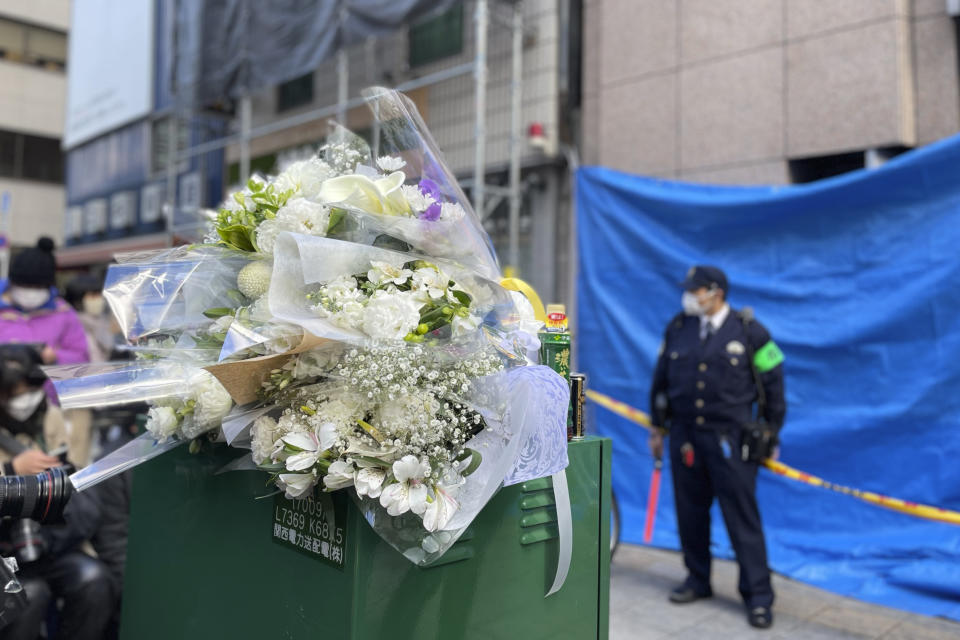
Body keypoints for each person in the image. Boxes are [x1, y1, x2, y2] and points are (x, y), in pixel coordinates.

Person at [648, 265, 786, 630]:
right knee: (690, 514)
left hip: (731, 442)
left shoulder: (751, 332)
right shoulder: (679, 328)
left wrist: (771, 433)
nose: (690, 296)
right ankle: (697, 580)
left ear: (716, 292)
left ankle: (758, 596)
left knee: (742, 519)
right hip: (685, 438)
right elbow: (660, 379)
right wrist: (657, 429)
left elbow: (774, 385)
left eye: (696, 291)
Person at [0, 344, 113, 640]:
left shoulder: (51, 417)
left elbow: (78, 488)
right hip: (7, 551)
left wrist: (62, 472)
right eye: (13, 393)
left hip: (51, 540)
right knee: (29, 594)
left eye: (27, 389)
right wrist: (12, 472)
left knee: (93, 579)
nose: (21, 400)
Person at [0, 237, 89, 366]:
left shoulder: (63, 312)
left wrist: (55, 357)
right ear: (12, 283)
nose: (30, 293)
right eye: (24, 285)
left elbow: (81, 356)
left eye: (38, 287)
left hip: (47, 384)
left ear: (49, 287)